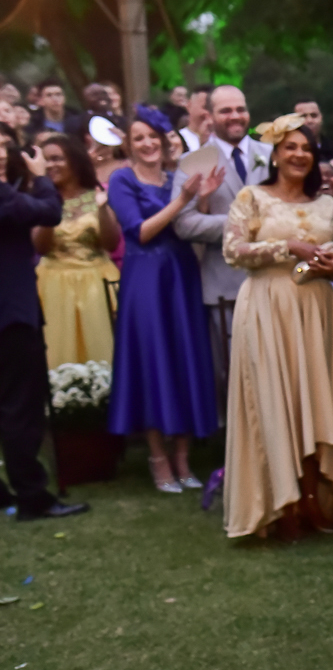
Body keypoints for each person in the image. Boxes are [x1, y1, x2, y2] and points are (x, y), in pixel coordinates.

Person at [221, 114, 333, 538]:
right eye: (290, 148)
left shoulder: (327, 205)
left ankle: (317, 498)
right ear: (276, 155)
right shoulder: (252, 197)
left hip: (317, 309)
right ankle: (278, 505)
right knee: (274, 399)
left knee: (321, 402)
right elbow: (233, 250)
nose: (299, 154)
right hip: (267, 308)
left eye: (306, 148)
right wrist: (289, 245)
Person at [106, 105, 221, 493]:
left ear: (162, 140)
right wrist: (181, 200)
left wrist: (201, 199)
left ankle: (185, 459)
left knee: (185, 358)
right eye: (138, 137)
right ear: (129, 144)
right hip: (146, 281)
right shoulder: (122, 180)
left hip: (181, 275)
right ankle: (158, 460)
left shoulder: (177, 177)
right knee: (153, 363)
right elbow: (140, 232)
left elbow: (189, 228)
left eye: (152, 136)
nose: (147, 143)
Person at [0, 139, 90, 521]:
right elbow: (50, 212)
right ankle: (32, 496)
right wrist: (39, 178)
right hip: (11, 314)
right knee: (20, 408)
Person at [172, 84, 273, 398]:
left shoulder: (271, 154)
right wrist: (242, 226)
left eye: (240, 109)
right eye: (226, 110)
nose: (235, 116)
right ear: (210, 116)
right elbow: (184, 223)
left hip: (275, 279)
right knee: (236, 374)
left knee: (277, 366)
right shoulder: (194, 161)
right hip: (224, 283)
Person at [32, 134, 121, 368]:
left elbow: (111, 244)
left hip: (95, 283)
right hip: (53, 285)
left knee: (102, 352)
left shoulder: (96, 195)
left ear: (74, 160)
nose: (51, 165)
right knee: (56, 354)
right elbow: (40, 247)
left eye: (57, 159)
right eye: (46, 160)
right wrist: (47, 207)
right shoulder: (39, 198)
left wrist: (102, 209)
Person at [294, 97, 333, 162]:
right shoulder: (289, 152)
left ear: (321, 118)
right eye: (303, 116)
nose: (310, 121)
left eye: (314, 115)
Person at [177, 84, 213, 153]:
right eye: (206, 107)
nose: (209, 113)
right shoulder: (179, 140)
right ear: (189, 105)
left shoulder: (223, 139)